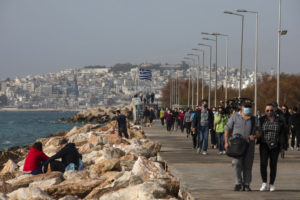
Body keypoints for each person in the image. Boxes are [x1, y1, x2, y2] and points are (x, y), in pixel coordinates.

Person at [225, 102, 261, 191]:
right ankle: (238, 183)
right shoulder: (234, 117)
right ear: (242, 107)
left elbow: (259, 132)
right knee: (236, 163)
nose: (248, 108)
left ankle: (246, 184)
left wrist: (255, 136)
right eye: (246, 107)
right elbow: (227, 129)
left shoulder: (255, 119)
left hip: (249, 145)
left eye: (249, 107)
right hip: (237, 145)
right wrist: (226, 142)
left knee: (248, 165)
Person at [257, 103, 287, 192]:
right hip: (264, 144)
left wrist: (283, 146)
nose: (269, 112)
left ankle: (271, 184)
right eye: (267, 110)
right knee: (263, 163)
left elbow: (284, 134)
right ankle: (264, 183)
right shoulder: (261, 120)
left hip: (275, 145)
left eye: (271, 110)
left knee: (273, 165)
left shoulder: (280, 120)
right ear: (264, 111)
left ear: (274, 110)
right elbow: (257, 130)